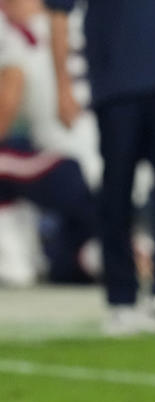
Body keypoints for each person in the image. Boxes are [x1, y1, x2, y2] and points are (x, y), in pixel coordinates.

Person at [45, 0, 155, 335]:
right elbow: (58, 11)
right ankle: (120, 300)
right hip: (116, 79)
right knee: (116, 190)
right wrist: (63, 85)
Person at [0, 0, 95, 286]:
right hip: (117, 168)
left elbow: (7, 105)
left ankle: (12, 262)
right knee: (63, 264)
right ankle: (106, 252)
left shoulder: (19, 33)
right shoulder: (82, 20)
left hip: (68, 167)